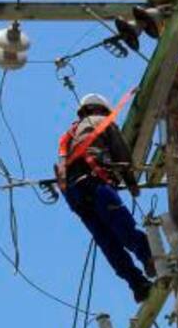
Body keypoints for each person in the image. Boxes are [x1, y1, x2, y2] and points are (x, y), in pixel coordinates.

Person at [57, 93, 157, 303]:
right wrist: (131, 184)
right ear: (102, 109)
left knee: (108, 243)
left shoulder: (67, 137)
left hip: (76, 198)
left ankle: (137, 284)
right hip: (96, 184)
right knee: (123, 228)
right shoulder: (103, 121)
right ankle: (149, 257)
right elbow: (122, 154)